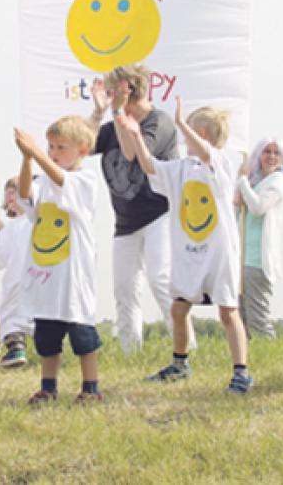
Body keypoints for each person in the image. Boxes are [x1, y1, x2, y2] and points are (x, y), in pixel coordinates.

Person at [118, 97, 252, 393]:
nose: (183, 136)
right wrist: (137, 136)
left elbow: (207, 154)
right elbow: (150, 167)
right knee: (179, 309)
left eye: (189, 130)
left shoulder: (224, 161)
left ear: (201, 134)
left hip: (219, 254)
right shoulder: (180, 168)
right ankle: (180, 364)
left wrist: (180, 123)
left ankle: (241, 372)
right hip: (189, 254)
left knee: (228, 311)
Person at [88, 63, 194, 353]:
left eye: (114, 92)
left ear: (130, 90)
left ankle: (185, 348)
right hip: (126, 220)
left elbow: (132, 153)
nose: (112, 98)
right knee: (124, 288)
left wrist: (118, 112)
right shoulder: (112, 124)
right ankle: (129, 351)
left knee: (161, 278)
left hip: (160, 213)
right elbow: (81, 145)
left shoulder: (158, 122)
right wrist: (98, 113)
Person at [15, 117, 102, 404]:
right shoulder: (43, 181)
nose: (53, 152)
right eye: (51, 146)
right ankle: (48, 386)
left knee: (82, 335)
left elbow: (62, 180)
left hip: (73, 276)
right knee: (47, 337)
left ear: (82, 150)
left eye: (61, 147)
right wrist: (27, 159)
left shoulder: (84, 180)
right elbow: (25, 194)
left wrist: (37, 153)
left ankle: (90, 388)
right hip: (46, 275)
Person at [235, 138, 283, 339]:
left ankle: (269, 352)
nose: (271, 156)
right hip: (242, 255)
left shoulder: (277, 181)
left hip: (258, 258)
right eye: (267, 152)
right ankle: (247, 358)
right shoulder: (256, 182)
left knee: (258, 316)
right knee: (240, 316)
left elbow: (259, 208)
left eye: (276, 153)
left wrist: (242, 182)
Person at [0, 177, 34, 368]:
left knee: (19, 314)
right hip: (14, 278)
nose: (10, 196)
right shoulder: (12, 226)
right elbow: (0, 258)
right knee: (9, 313)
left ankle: (26, 351)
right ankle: (16, 349)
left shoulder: (33, 219)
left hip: (33, 276)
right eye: (7, 192)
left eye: (15, 191)